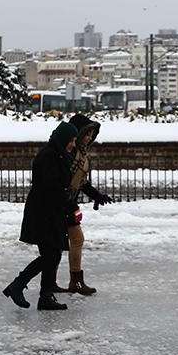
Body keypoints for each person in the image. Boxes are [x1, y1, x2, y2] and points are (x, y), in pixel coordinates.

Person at [3, 122, 79, 311]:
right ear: (63, 139)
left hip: (52, 212)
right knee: (51, 254)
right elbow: (51, 187)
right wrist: (68, 202)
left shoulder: (60, 155)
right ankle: (19, 285)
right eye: (72, 140)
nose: (73, 144)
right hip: (43, 213)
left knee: (53, 254)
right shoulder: (48, 156)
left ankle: (44, 295)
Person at [62, 114, 114, 295]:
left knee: (71, 241)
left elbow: (81, 182)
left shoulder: (81, 155)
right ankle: (71, 281)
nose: (89, 138)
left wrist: (96, 195)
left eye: (92, 135)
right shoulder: (69, 154)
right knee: (70, 241)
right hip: (61, 205)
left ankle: (73, 281)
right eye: (87, 134)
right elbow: (64, 181)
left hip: (67, 204)